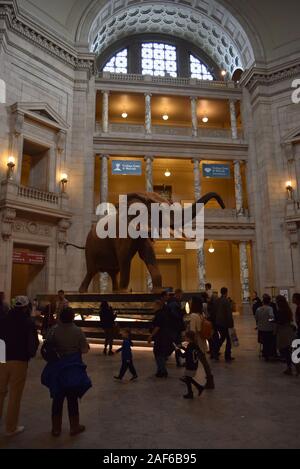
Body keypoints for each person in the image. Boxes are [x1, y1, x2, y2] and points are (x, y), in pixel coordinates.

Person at [41, 307, 91, 437]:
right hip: (72, 368)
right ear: (73, 317)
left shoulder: (54, 330)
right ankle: (74, 427)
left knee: (57, 398)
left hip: (57, 368)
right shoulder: (77, 331)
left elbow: (47, 345)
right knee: (72, 398)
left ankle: (56, 428)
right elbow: (85, 349)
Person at [0, 296, 39, 437]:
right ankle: (11, 428)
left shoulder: (3, 320)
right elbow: (33, 343)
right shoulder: (28, 322)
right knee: (15, 395)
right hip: (19, 360)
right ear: (25, 307)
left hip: (2, 358)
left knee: (0, 392)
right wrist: (29, 355)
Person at [188, 297, 215, 389]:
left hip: (196, 343)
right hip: (202, 342)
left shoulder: (193, 316)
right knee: (204, 362)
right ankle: (210, 381)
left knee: (194, 363)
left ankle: (208, 382)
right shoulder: (201, 315)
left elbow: (193, 331)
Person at [148, 291, 173, 378]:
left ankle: (162, 371)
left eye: (154, 305)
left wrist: (151, 336)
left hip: (160, 337)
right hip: (164, 336)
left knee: (158, 354)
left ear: (158, 306)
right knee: (160, 354)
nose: (153, 307)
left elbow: (157, 326)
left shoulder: (159, 314)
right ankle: (161, 370)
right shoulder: (163, 313)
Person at [176, 331, 204, 399]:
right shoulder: (194, 345)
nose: (184, 337)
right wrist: (182, 347)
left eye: (185, 336)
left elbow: (184, 355)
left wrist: (178, 351)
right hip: (194, 364)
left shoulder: (190, 345)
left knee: (188, 379)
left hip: (190, 365)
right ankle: (197, 389)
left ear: (188, 338)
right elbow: (190, 352)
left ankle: (193, 392)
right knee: (188, 378)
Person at [275, 295, 298, 376]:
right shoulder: (287, 309)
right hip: (289, 331)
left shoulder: (280, 311)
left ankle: (293, 366)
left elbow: (279, 322)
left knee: (283, 350)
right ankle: (293, 367)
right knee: (288, 350)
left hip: (283, 332)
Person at [214, 287, 235, 362]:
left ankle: (215, 352)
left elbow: (215, 311)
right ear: (226, 292)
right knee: (229, 340)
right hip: (225, 323)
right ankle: (227, 355)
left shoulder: (217, 300)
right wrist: (231, 325)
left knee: (222, 338)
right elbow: (229, 314)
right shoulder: (226, 301)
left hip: (218, 323)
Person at [255, 294, 276, 361]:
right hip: (269, 328)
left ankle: (265, 353)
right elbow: (272, 317)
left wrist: (261, 322)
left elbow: (256, 318)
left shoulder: (258, 309)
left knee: (264, 341)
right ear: (269, 302)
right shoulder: (270, 308)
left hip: (261, 328)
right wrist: (269, 321)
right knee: (269, 341)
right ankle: (269, 354)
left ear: (263, 302)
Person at [167, 289, 185, 367]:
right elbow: (176, 315)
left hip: (174, 327)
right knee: (175, 344)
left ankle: (178, 361)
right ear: (178, 294)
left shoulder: (173, 302)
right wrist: (182, 312)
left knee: (176, 344)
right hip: (175, 327)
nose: (181, 297)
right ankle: (164, 356)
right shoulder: (174, 303)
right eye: (181, 295)